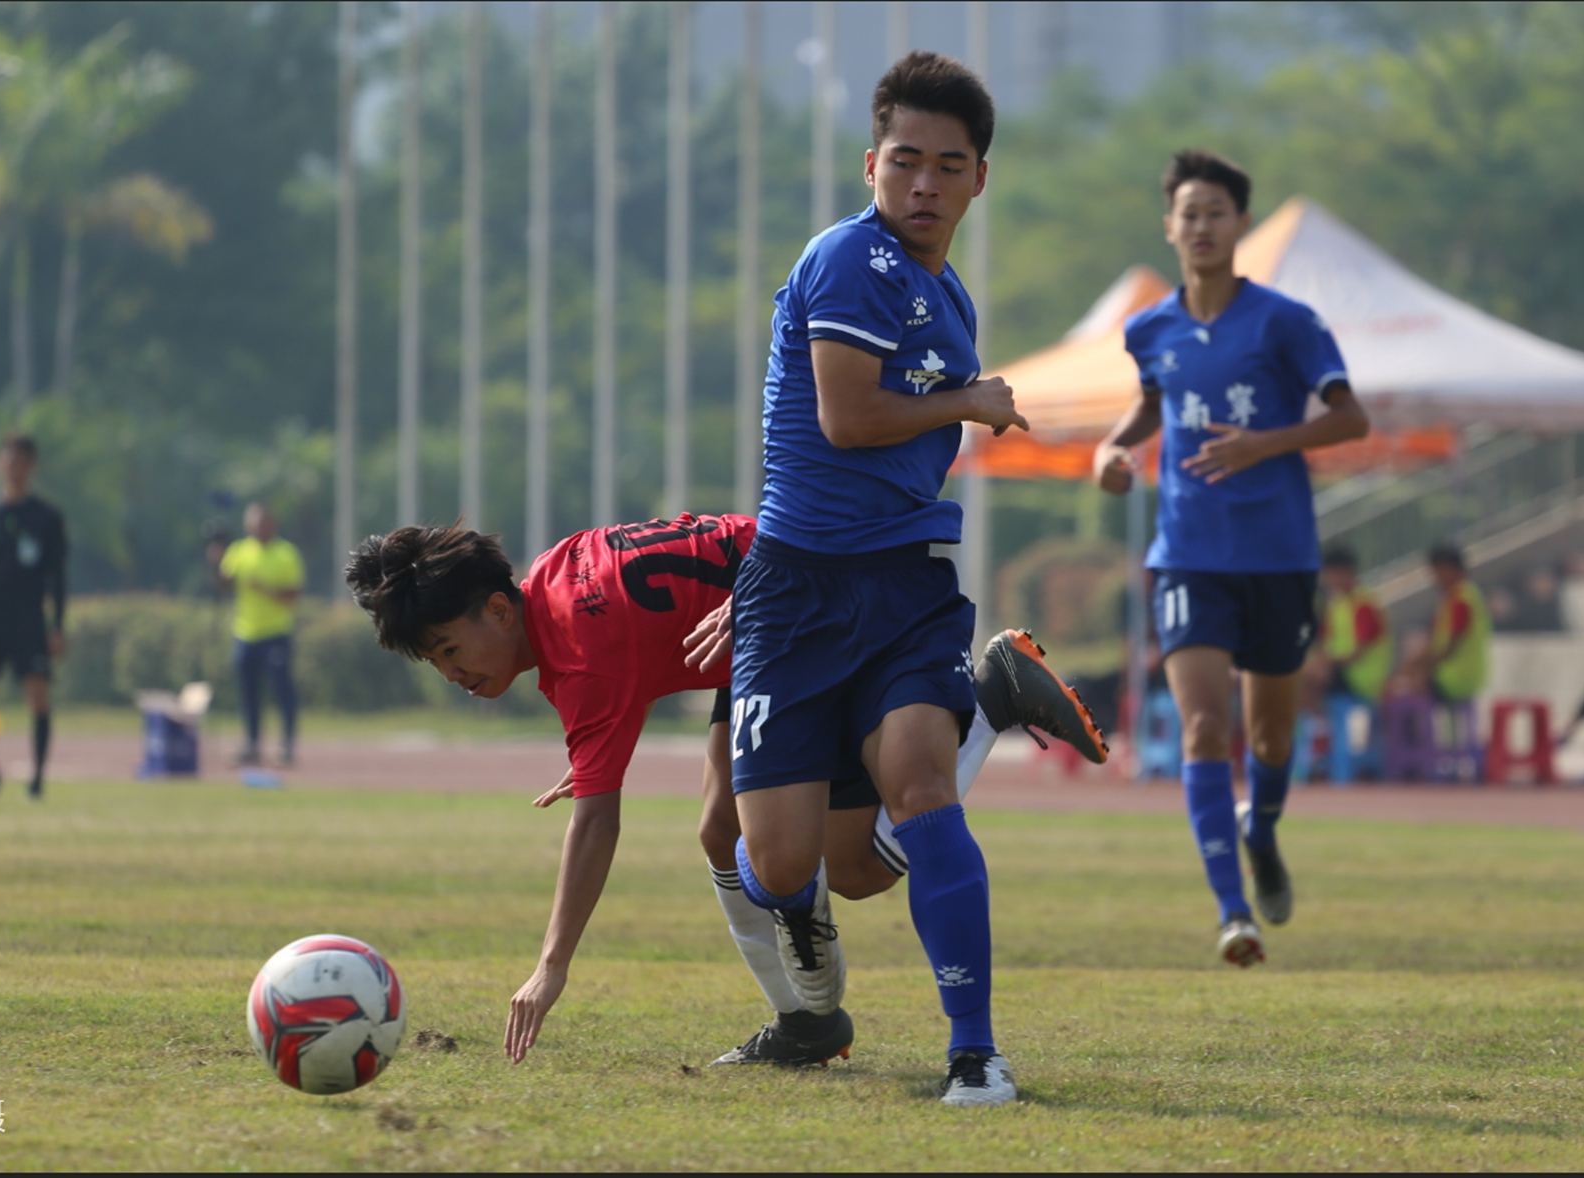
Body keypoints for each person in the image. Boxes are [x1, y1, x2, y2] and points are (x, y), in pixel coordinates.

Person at [343, 516, 1106, 1070]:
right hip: (754, 633)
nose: (450, 672)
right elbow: (642, 631)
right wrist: (603, 744)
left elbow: (597, 821)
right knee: (719, 831)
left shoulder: (581, 653)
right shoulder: (551, 580)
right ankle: (804, 1022)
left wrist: (552, 965)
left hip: (810, 623)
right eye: (434, 661)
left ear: (500, 610)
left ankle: (989, 703)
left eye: (448, 649)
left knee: (855, 870)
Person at [725, 51, 1035, 1107]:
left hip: (901, 591)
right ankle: (989, 706)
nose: (924, 185)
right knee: (802, 866)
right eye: (905, 160)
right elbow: (847, 419)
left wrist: (967, 396)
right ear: (871, 164)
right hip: (796, 592)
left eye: (949, 166)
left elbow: (891, 443)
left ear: (978, 180)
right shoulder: (849, 260)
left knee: (923, 790)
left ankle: (976, 1051)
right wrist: (971, 401)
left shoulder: (950, 297)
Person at [1093, 149, 1370, 966]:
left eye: (1217, 212)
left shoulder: (1285, 322)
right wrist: (1113, 450)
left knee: (1272, 739)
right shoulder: (1148, 329)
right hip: (1187, 557)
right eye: (1189, 213)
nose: (1203, 226)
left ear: (1241, 223)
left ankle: (1264, 826)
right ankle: (1232, 913)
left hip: (1279, 559)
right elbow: (1150, 409)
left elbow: (1350, 419)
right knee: (1205, 726)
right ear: (1169, 226)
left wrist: (1267, 444)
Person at [0, 433, 69, 801]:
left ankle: (37, 780)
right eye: (8, 459)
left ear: (32, 466)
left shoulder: (46, 518)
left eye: (21, 461)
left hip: (28, 618)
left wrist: (58, 626)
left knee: (37, 695)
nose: (14, 467)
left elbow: (58, 577)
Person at [214, 503, 304, 767]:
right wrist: (216, 561)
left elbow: (293, 595)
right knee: (248, 692)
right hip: (245, 632)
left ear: (272, 524)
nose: (259, 528)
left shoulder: (286, 553)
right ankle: (252, 745)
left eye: (263, 523)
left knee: (281, 689)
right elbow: (224, 584)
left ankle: (287, 744)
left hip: (276, 633)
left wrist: (265, 589)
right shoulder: (239, 551)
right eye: (254, 523)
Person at [1317, 545, 1391, 783]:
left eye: (1333, 574)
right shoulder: (1336, 604)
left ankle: (1341, 767)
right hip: (1341, 674)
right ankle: (1318, 752)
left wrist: (1326, 662)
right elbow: (1326, 645)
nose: (1328, 580)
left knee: (1299, 678)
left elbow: (1358, 651)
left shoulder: (1364, 604)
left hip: (1362, 679)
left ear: (1347, 573)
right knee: (1297, 679)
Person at [1421, 544, 1490, 706]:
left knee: (1401, 699)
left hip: (1456, 677)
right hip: (1459, 674)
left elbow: (1450, 647)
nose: (1434, 578)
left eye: (1437, 572)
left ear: (1450, 569)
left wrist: (1421, 669)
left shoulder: (1460, 600)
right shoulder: (1459, 596)